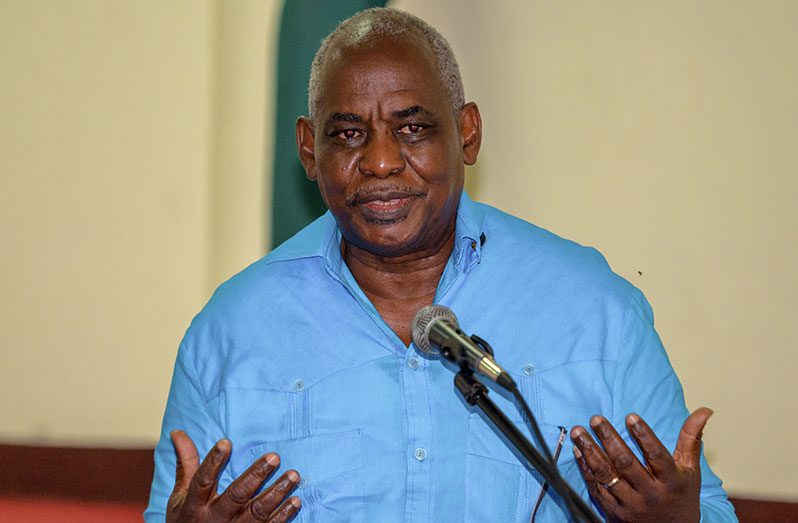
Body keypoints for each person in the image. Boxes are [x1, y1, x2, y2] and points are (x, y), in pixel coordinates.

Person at [145, 8, 737, 522]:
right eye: (348, 134)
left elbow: (703, 509)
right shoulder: (230, 331)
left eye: (412, 128)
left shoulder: (595, 311)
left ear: (467, 134)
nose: (379, 162)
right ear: (308, 150)